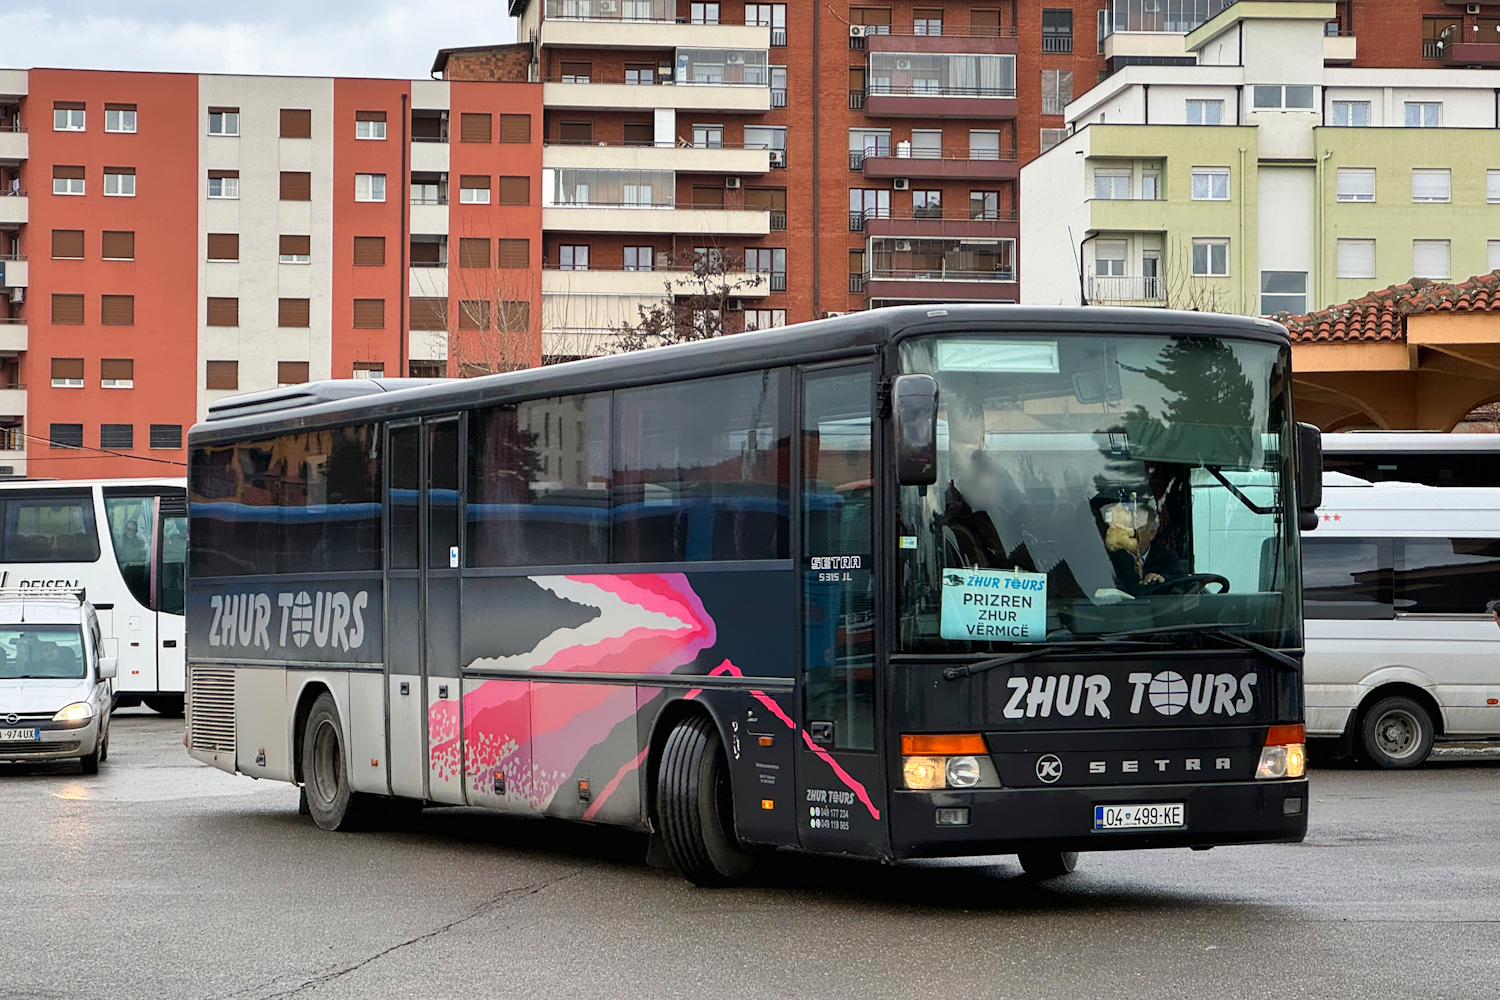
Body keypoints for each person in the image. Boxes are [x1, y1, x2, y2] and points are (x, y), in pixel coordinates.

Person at [1103, 498, 1186, 597]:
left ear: (1151, 533)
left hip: (1159, 610)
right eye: (1127, 525)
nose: (1130, 531)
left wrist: (1163, 579)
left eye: (1136, 527)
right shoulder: (1110, 556)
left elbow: (1183, 583)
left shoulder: (1166, 555)